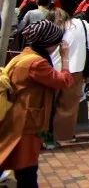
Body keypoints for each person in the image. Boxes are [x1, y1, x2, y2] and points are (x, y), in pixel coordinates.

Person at [0, 21, 74, 186]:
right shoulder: (37, 63)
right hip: (27, 123)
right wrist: (65, 58)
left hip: (21, 119)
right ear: (49, 43)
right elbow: (64, 81)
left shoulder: (24, 56)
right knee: (27, 170)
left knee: (20, 165)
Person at [54, 8, 89, 142]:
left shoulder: (54, 26)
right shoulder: (82, 25)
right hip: (74, 70)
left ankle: (48, 136)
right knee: (68, 106)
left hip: (55, 69)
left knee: (51, 103)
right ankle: (62, 135)